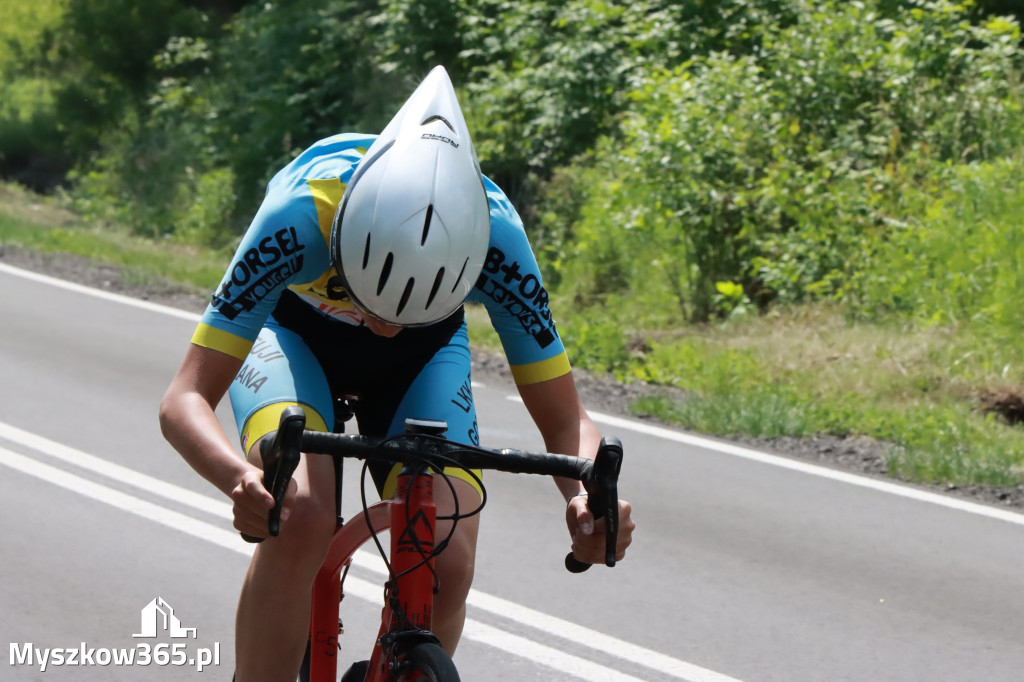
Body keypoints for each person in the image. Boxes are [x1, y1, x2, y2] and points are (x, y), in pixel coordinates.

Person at [159, 66, 635, 682]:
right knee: (299, 515)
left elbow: (567, 419)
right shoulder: (299, 213)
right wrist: (238, 482)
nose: (382, 325)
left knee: (450, 549)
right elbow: (185, 397)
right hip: (296, 336)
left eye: (414, 308)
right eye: (363, 295)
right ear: (341, 241)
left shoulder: (497, 237)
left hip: (422, 360)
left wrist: (589, 498)